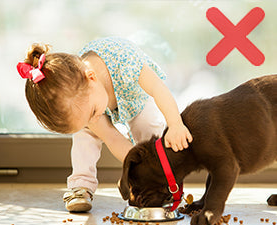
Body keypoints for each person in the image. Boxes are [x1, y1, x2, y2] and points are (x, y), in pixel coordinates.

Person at [17, 37, 193, 212]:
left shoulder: (126, 63)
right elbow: (112, 138)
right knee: (84, 136)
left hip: (135, 97)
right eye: (87, 119)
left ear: (91, 77)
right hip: (95, 101)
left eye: (92, 113)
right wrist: (135, 168)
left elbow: (158, 88)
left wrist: (175, 124)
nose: (93, 120)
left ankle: (159, 183)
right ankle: (80, 186)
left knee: (148, 126)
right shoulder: (86, 105)